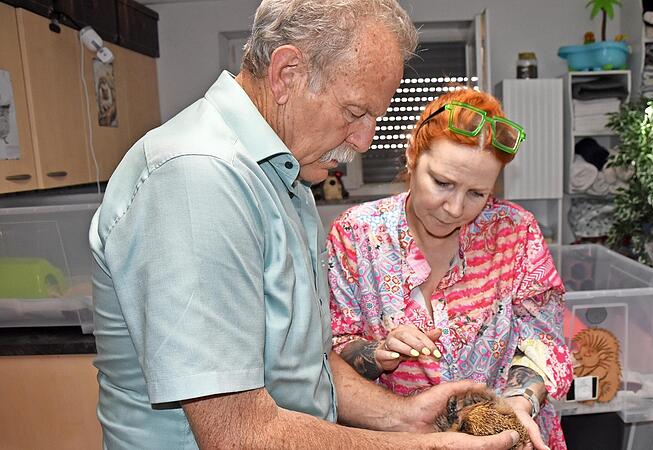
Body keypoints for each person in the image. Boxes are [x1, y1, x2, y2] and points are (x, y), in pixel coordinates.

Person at [89, 1, 522, 449]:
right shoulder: (197, 177)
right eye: (355, 111)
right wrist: (429, 447)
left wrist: (401, 416)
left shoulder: (285, 177)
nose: (365, 140)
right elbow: (238, 435)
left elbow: (306, 365)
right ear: (286, 74)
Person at [327, 88, 573, 450]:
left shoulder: (514, 231)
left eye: (477, 193)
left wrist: (519, 404)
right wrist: (378, 352)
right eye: (442, 183)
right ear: (412, 156)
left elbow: (544, 340)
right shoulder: (356, 233)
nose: (455, 209)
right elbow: (333, 350)